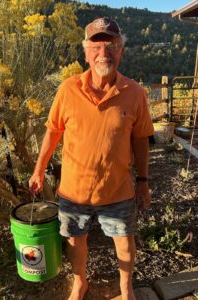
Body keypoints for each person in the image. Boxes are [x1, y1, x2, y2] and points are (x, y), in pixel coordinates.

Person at [29, 17, 154, 300]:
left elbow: (141, 139)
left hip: (118, 189)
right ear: (85, 53)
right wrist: (38, 171)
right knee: (76, 241)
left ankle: (125, 287)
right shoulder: (67, 89)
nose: (104, 53)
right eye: (96, 47)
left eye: (111, 46)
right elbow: (52, 132)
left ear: (121, 51)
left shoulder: (134, 93)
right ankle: (80, 282)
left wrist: (144, 181)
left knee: (125, 243)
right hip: (74, 190)